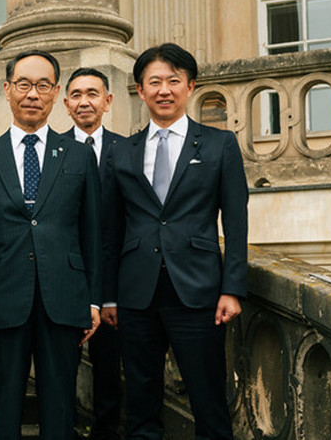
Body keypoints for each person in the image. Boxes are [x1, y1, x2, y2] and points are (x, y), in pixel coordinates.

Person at [101, 43, 247, 440]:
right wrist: (108, 296)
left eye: (173, 81)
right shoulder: (121, 152)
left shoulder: (220, 145)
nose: (164, 90)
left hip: (198, 292)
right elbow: (111, 229)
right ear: (140, 90)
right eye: (154, 82)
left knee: (209, 401)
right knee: (141, 405)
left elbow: (236, 223)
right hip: (135, 296)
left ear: (190, 86)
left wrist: (232, 288)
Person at [0, 50, 102, 440]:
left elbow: (92, 232)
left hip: (64, 297)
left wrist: (94, 299)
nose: (32, 94)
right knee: (2, 406)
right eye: (23, 84)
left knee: (59, 407)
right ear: (6, 90)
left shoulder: (79, 155)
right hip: (0, 297)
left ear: (57, 93)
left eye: (42, 85)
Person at [62, 67, 126, 440]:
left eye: (92, 93)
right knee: (61, 367)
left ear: (107, 100)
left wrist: (111, 293)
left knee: (108, 368)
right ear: (66, 102)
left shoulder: (127, 150)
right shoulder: (53, 148)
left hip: (115, 283)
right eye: (77, 94)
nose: (84, 101)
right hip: (65, 278)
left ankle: (105, 432)